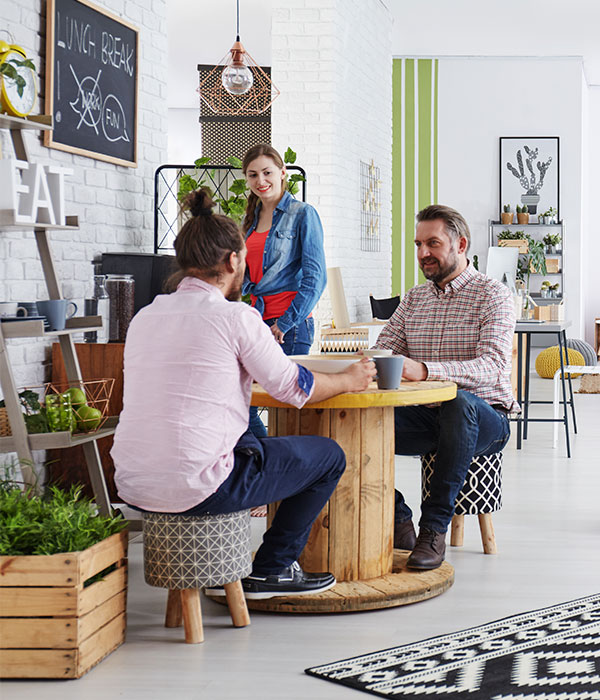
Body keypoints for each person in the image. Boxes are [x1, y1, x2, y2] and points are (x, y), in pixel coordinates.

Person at [111, 189, 376, 599]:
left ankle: (255, 563)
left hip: (133, 484)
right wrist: (350, 379)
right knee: (328, 457)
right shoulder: (236, 316)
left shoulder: (146, 316)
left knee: (248, 438)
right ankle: (272, 569)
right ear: (233, 260)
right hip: (198, 486)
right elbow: (291, 389)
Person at [374, 204, 518, 571]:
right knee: (350, 423)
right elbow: (384, 349)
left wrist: (423, 371)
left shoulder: (493, 296)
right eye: (418, 244)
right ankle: (399, 518)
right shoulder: (414, 299)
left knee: (459, 403)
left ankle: (433, 529)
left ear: (461, 244)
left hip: (487, 419)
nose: (423, 253)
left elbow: (491, 368)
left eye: (433, 243)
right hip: (427, 419)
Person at [241, 144, 327, 440]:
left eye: (267, 172)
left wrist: (284, 323)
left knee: (285, 407)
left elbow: (316, 278)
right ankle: (267, 465)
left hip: (289, 326)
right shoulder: (250, 220)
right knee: (245, 403)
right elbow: (245, 275)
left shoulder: (302, 214)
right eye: (253, 175)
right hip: (258, 322)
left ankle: (282, 474)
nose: (260, 180)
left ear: (282, 173)